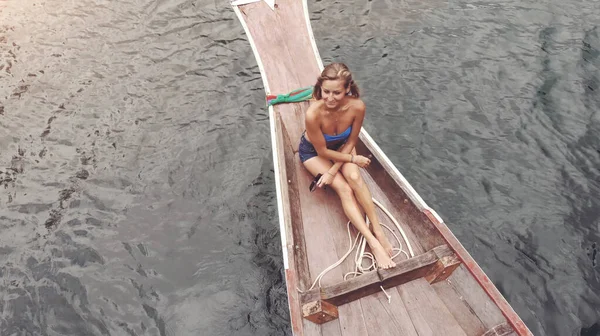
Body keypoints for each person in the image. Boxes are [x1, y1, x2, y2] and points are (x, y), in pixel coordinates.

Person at [298, 63, 396, 269]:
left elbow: (352, 140)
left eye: (337, 93)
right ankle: (372, 242)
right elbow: (323, 152)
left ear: (347, 89)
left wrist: (334, 169)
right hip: (314, 152)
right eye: (325, 92)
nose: (330, 98)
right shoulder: (313, 115)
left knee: (354, 178)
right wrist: (351, 160)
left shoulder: (357, 107)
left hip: (343, 148)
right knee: (343, 187)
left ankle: (378, 229)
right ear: (319, 89)